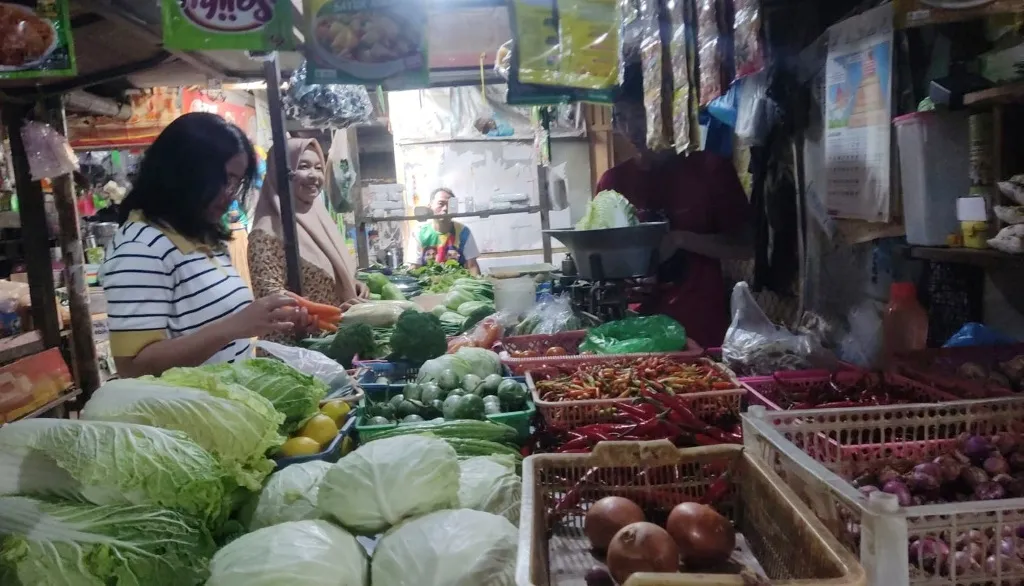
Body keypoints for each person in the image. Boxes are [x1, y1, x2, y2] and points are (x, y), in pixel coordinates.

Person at [101, 113, 306, 378]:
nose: (230, 192)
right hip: (185, 416)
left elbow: (214, 323)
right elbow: (134, 367)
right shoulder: (140, 248)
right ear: (185, 170)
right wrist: (236, 326)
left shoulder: (201, 235)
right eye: (225, 179)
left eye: (237, 181)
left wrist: (269, 317)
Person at [595, 69, 753, 348]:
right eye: (621, 118)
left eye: (640, 114)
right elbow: (602, 262)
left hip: (700, 330)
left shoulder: (709, 169)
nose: (631, 129)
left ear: (664, 112)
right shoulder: (613, 182)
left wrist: (681, 240)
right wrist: (623, 283)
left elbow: (746, 247)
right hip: (635, 334)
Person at [248, 138, 369, 323]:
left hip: (335, 336)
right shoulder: (265, 233)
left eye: (319, 168)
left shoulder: (321, 219)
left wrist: (352, 286)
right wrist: (330, 313)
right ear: (281, 173)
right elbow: (270, 300)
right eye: (303, 166)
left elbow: (330, 275)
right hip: (294, 346)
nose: (314, 176)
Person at [415, 187, 481, 274]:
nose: (445, 208)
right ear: (430, 206)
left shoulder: (463, 231)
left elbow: (472, 266)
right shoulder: (420, 232)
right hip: (428, 284)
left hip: (457, 284)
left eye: (450, 205)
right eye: (441, 204)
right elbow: (415, 267)